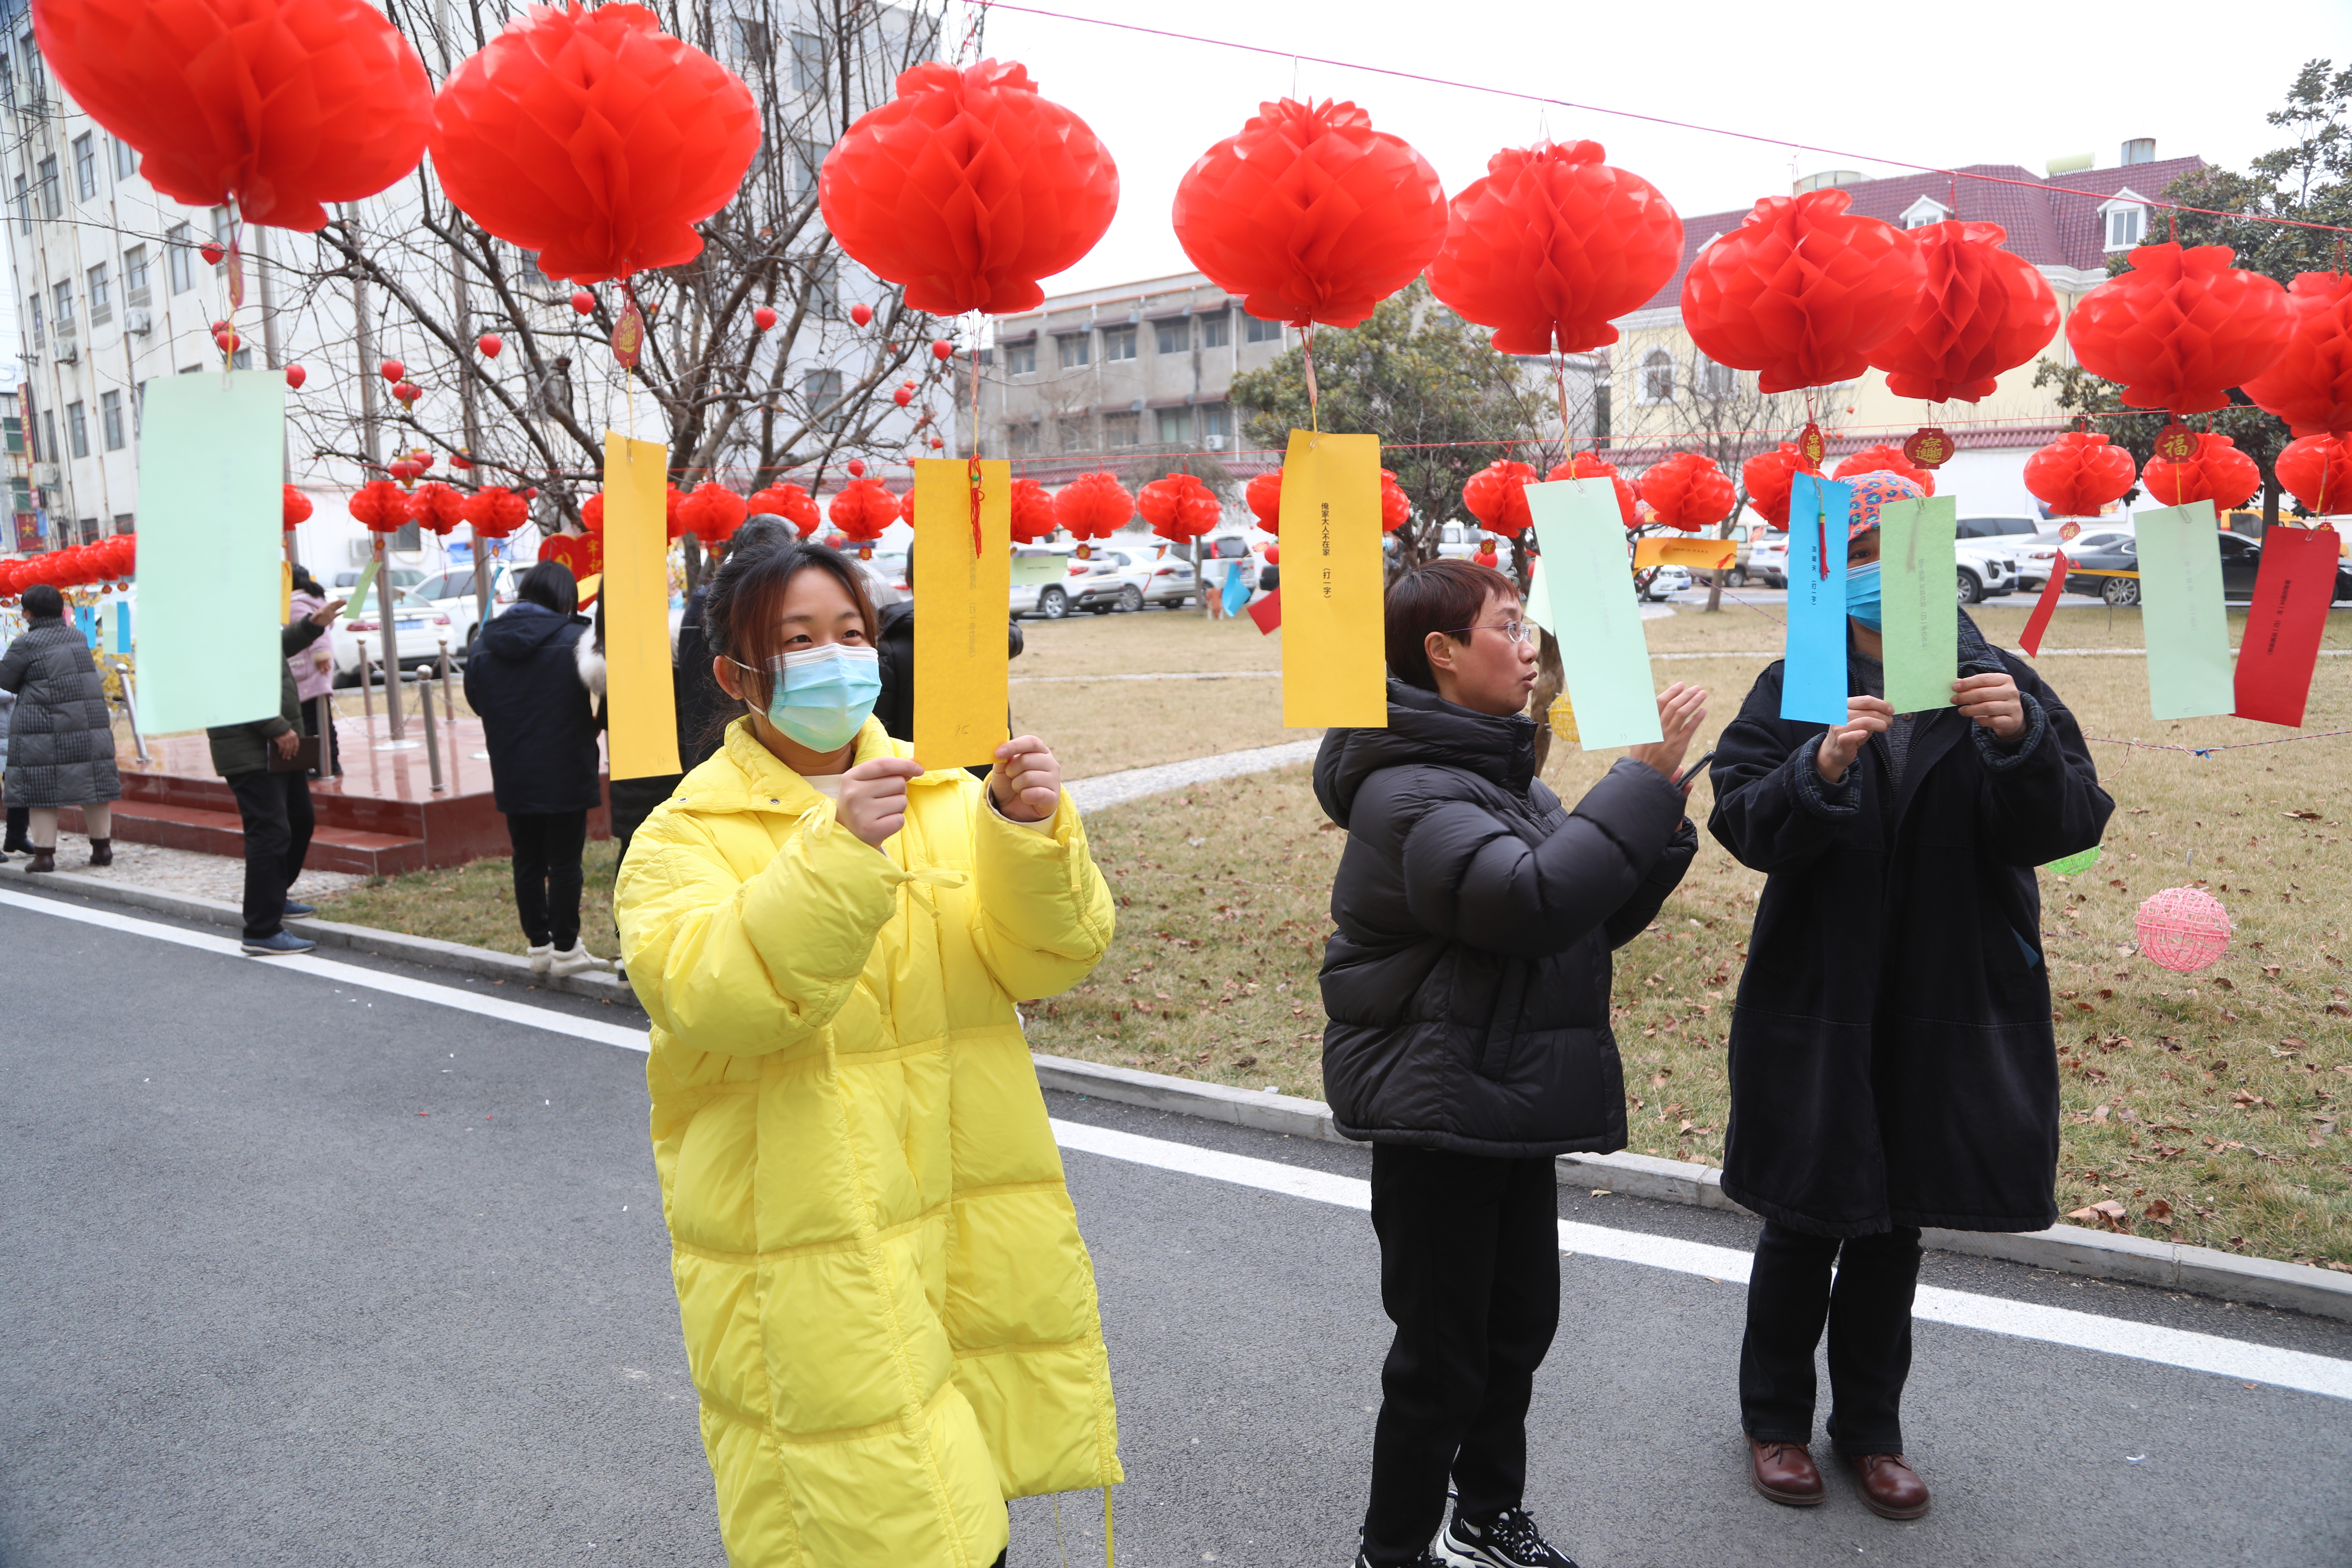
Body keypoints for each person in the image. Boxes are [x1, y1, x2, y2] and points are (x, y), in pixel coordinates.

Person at [612, 537, 1122, 1568]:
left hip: (957, 1218)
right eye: (796, 640)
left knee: (969, 1499)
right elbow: (715, 991)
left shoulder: (938, 796)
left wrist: (1025, 831)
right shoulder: (683, 837)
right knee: (886, 1524)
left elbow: (1045, 956)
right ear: (735, 675)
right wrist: (835, 856)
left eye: (852, 633)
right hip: (816, 1248)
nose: (836, 659)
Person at [1707, 474, 2112, 1521]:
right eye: (1862, 557)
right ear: (1832, 574)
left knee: (1893, 1223)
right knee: (1803, 1214)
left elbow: (2067, 822)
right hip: (1819, 989)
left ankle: (1871, 1432)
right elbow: (1744, 821)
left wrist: (2020, 743)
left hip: (1946, 993)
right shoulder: (1792, 681)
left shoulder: (1994, 676)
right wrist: (1820, 767)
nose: (1883, 578)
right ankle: (1775, 1421)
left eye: (1902, 553)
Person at [1316, 558, 1707, 1568]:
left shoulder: (1503, 775)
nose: (1530, 645)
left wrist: (1655, 825)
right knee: (1441, 1363)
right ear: (1442, 654)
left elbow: (1579, 919)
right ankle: (1392, 1550)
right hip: (1438, 1107)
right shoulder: (1408, 791)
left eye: (1526, 621)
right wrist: (1642, 784)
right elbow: (1528, 903)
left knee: (1515, 1331)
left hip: (1503, 1096)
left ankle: (1485, 1518)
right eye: (1506, 625)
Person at [463, 561, 612, 978]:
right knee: (565, 862)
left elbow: (477, 700)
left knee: (526, 860)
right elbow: (601, 702)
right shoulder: (576, 639)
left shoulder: (484, 640)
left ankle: (539, 948)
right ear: (564, 598)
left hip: (513, 767)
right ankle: (567, 951)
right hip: (567, 765)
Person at [208, 593, 345, 954]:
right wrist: (275, 727)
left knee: (300, 819)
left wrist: (313, 624)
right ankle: (262, 929)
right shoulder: (221, 625)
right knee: (269, 831)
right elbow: (229, 683)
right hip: (251, 746)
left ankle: (275, 895)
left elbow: (276, 646)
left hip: (278, 746)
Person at [0, 583, 122, 873]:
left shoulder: (25, 644)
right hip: (87, 724)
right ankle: (103, 849)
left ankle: (44, 857)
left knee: (40, 789)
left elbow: (5, 680)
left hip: (42, 727)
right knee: (93, 786)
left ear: (29, 613)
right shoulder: (78, 637)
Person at [287, 564, 341, 777]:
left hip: (308, 671)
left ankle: (323, 764)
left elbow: (317, 631)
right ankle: (328, 763)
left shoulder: (296, 604)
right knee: (320, 721)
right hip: (310, 670)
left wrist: (321, 655)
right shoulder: (310, 600)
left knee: (313, 722)